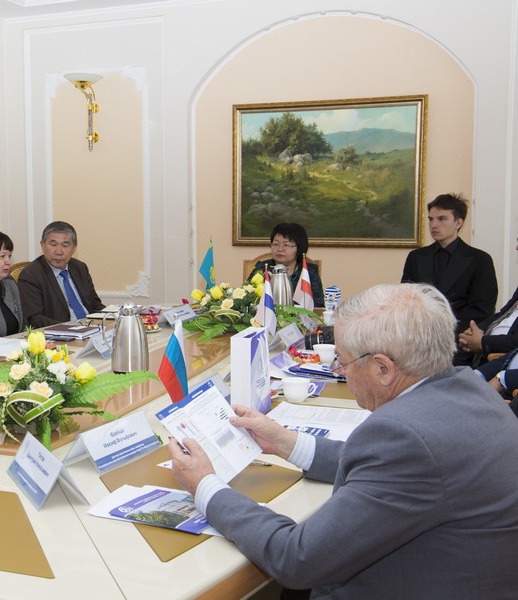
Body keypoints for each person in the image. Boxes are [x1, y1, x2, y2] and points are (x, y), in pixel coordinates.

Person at [169, 283, 518, 599]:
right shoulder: (471, 390)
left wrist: (205, 485)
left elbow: (296, 558)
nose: (340, 371)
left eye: (343, 361)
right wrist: (287, 442)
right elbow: (398, 472)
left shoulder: (405, 438)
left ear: (383, 368)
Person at [401, 193, 497, 358]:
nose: (434, 225)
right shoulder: (416, 257)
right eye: (431, 219)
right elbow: (406, 299)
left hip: (458, 342)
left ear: (458, 223)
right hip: (418, 340)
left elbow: (482, 309)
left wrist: (443, 330)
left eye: (442, 219)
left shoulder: (480, 259)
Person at [17, 221, 105, 326]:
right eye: (53, 244)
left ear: (74, 248)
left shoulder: (80, 268)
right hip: (61, 332)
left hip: (91, 328)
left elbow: (95, 305)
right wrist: (70, 329)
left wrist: (112, 317)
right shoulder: (31, 274)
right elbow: (35, 318)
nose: (59, 252)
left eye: (65, 245)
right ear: (42, 245)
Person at [456, 237, 518, 366]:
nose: (516, 247)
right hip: (486, 349)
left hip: (502, 361)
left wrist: (482, 342)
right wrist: (474, 332)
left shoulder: (480, 259)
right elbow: (502, 315)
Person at [245, 222, 324, 307]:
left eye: (286, 245)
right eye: (276, 244)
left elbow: (318, 304)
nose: (280, 249)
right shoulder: (262, 268)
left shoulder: (308, 272)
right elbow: (246, 299)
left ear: (299, 248)